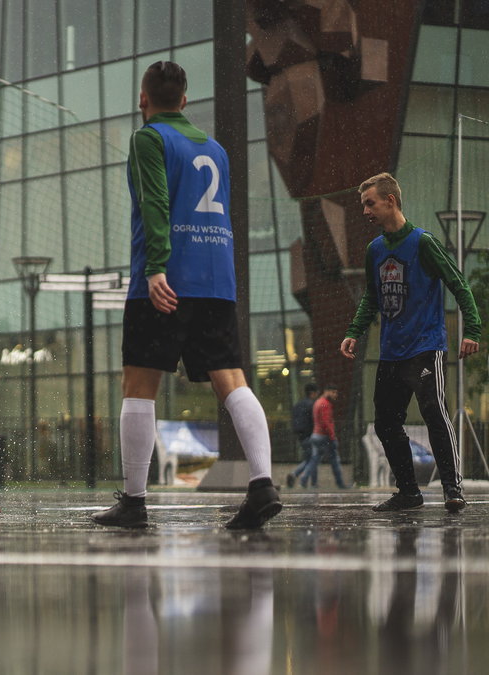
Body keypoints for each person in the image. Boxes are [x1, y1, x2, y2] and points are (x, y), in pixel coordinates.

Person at [93, 60, 281, 530]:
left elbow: (155, 202)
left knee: (139, 384)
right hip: (216, 278)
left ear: (143, 99)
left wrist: (156, 266)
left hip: (166, 278)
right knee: (232, 379)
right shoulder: (215, 148)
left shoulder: (148, 138)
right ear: (184, 99)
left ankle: (134, 502)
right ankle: (262, 486)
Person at [341, 172, 481, 513]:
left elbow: (458, 283)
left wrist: (473, 330)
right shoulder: (374, 250)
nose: (365, 211)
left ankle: (452, 489)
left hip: (425, 347)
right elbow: (371, 298)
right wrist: (354, 331)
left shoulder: (422, 242)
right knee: (386, 423)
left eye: (370, 203)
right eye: (363, 205)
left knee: (434, 412)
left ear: (390, 201)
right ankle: (408, 492)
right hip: (391, 351)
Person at [302, 384, 348, 489]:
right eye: (333, 392)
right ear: (326, 391)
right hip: (324, 436)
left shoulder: (318, 402)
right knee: (335, 460)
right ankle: (340, 483)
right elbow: (326, 422)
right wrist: (332, 436)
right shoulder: (325, 404)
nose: (335, 395)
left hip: (316, 435)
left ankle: (304, 479)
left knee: (314, 459)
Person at [286, 383, 321, 488]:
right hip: (311, 435)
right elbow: (315, 421)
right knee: (314, 459)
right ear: (312, 393)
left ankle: (302, 478)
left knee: (310, 459)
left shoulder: (298, 405)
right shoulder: (313, 405)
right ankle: (302, 477)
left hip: (301, 436)